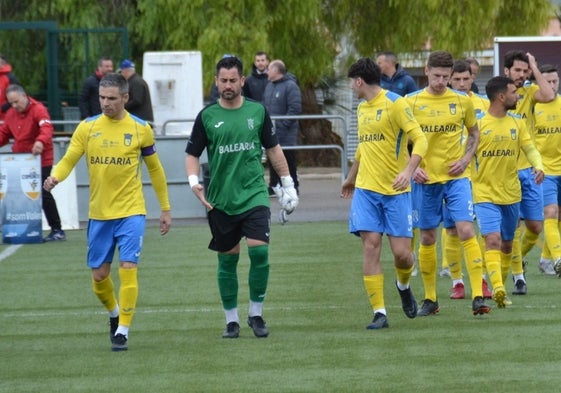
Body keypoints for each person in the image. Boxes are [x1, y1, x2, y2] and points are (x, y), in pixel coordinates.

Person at [43, 73, 172, 351]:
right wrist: (55, 177)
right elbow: (69, 159)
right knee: (100, 277)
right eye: (102, 98)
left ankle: (123, 330)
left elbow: (155, 170)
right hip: (99, 214)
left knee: (128, 268)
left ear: (125, 98)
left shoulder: (140, 128)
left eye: (112, 98)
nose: (106, 103)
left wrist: (165, 208)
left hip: (131, 211)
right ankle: (114, 314)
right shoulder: (87, 128)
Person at [185, 56, 298, 339]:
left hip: (254, 194)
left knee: (260, 252)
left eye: (233, 80)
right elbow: (192, 154)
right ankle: (231, 320)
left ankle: (256, 314)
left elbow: (273, 149)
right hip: (221, 200)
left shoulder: (257, 112)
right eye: (223, 80)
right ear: (216, 81)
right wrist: (193, 181)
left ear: (242, 81)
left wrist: (288, 184)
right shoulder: (207, 116)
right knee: (227, 260)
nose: (228, 85)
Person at [341, 57, 427, 329]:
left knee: (402, 254)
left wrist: (408, 171)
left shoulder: (395, 103)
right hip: (366, 190)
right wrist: (351, 178)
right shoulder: (363, 109)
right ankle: (379, 312)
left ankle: (403, 285)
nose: (351, 89)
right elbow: (364, 147)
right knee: (371, 245)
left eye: (351, 84)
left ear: (359, 81)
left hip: (396, 191)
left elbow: (421, 139)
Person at [405, 50, 491, 315]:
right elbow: (403, 140)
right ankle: (431, 300)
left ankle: (478, 295)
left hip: (457, 178)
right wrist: (412, 166)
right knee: (428, 237)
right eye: (437, 75)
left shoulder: (462, 101)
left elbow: (474, 133)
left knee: (466, 230)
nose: (441, 81)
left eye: (446, 76)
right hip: (426, 179)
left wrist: (466, 159)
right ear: (426, 70)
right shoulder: (411, 101)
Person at [472, 76, 544, 308]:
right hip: (484, 194)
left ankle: (499, 290)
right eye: (514, 92)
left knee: (506, 245)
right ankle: (499, 288)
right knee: (492, 239)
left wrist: (538, 165)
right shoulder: (479, 125)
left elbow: (530, 149)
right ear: (501, 96)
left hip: (512, 194)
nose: (518, 96)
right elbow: (463, 155)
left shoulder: (517, 123)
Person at [503, 50, 555, 294]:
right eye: (518, 70)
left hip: (530, 171)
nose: (522, 75)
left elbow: (549, 94)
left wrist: (535, 67)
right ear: (506, 71)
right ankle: (518, 276)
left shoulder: (529, 93)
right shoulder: (498, 94)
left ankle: (517, 258)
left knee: (535, 227)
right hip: (507, 171)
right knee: (512, 227)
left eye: (525, 71)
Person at [444, 60, 492, 300]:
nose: (462, 83)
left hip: (478, 177)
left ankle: (481, 280)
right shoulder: (442, 102)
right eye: (457, 79)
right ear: (450, 79)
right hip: (449, 176)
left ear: (473, 78)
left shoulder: (484, 104)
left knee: (474, 230)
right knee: (452, 230)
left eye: (466, 78)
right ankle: (457, 281)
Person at [0, 84, 65, 242]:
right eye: (11, 103)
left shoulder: (39, 110)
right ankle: (21, 228)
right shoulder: (10, 114)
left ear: (24, 96)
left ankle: (57, 229)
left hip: (41, 160)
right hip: (19, 161)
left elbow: (47, 128)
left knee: (43, 193)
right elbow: (4, 134)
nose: (14, 106)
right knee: (16, 194)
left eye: (16, 102)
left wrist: (40, 142)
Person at [532, 64, 561, 276]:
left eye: (555, 81)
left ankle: (544, 259)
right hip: (544, 170)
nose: (551, 86)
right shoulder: (534, 106)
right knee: (550, 213)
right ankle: (559, 259)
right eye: (547, 81)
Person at [263, 59, 302, 194]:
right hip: (272, 131)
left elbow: (295, 108)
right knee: (273, 158)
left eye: (269, 68)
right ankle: (274, 185)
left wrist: (283, 125)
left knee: (288, 159)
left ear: (276, 70)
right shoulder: (269, 86)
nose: (267, 71)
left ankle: (293, 186)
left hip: (286, 133)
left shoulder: (290, 86)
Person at [0, 55, 20, 120]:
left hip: (5, 119)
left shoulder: (10, 78)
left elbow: (16, 99)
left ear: (3, 64)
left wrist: (1, 109)